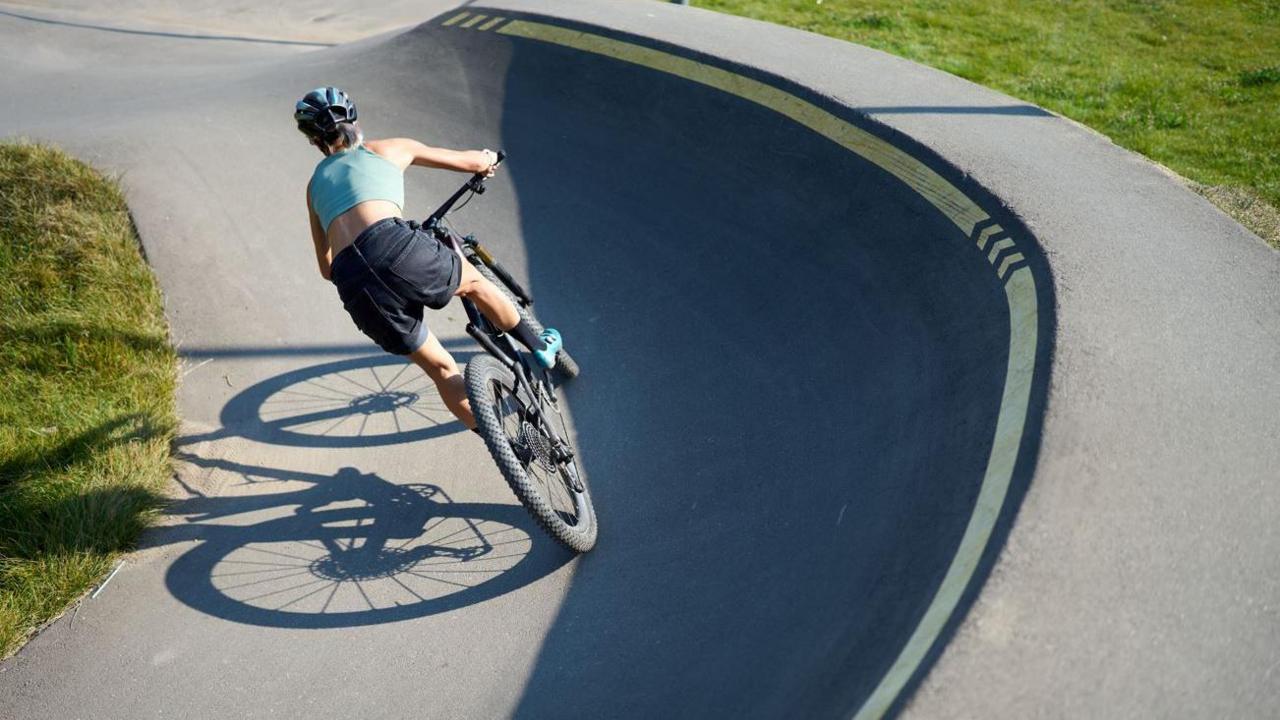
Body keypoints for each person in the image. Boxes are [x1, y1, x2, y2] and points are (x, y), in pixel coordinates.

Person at [295, 86, 560, 431]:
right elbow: (472, 161)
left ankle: (510, 449)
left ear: (314, 141)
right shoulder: (389, 149)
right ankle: (540, 348)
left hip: (352, 282)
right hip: (393, 243)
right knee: (475, 284)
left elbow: (327, 268)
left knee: (442, 371)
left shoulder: (314, 186)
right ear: (354, 120)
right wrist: (488, 160)